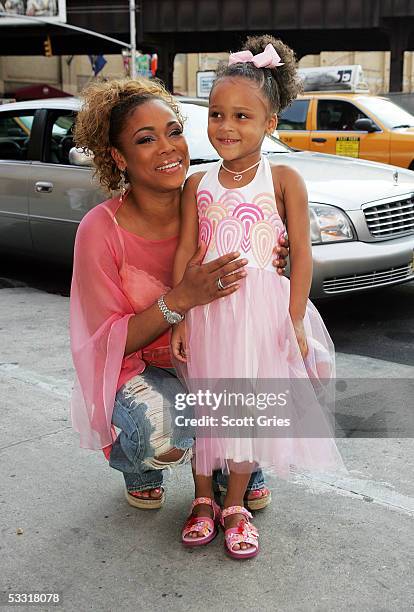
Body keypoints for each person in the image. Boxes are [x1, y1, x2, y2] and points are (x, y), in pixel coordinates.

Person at [70, 78, 289, 513]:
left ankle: (233, 465)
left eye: (174, 131)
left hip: (212, 360)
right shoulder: (100, 230)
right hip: (140, 367)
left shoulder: (211, 197)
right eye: (146, 139)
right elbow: (106, 343)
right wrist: (180, 299)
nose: (169, 148)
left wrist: (281, 256)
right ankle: (139, 463)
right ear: (119, 157)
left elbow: (261, 258)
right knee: (166, 431)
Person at [172, 35, 346, 559]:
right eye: (218, 114)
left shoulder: (286, 179)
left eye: (243, 117)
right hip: (208, 314)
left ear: (271, 123)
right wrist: (179, 315)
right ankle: (202, 499)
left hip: (263, 315)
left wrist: (294, 321)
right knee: (210, 409)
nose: (227, 127)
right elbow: (185, 251)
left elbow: (302, 258)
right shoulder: (196, 182)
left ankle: (236, 505)